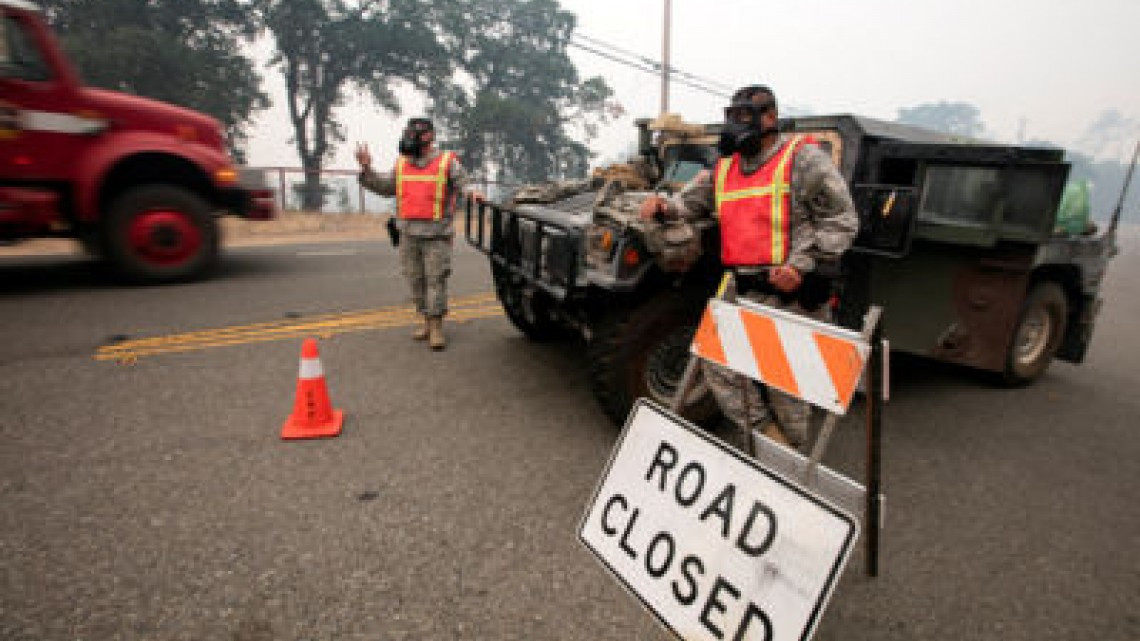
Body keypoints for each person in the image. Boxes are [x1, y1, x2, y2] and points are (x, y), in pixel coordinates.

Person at [640, 85, 859, 453]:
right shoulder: (725, 168)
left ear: (769, 119)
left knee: (787, 395)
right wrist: (662, 206)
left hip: (791, 296)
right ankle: (764, 439)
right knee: (716, 365)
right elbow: (689, 203)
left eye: (745, 117)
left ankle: (787, 459)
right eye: (732, 117)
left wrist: (802, 265)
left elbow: (843, 219)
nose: (735, 126)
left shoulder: (802, 159)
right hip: (743, 293)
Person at [355, 117, 484, 351]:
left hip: (436, 235)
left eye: (413, 134)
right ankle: (424, 320)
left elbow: (464, 183)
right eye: (407, 133)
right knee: (416, 280)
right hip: (408, 234)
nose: (408, 139)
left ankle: (436, 327)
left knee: (436, 280)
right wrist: (366, 169)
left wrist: (473, 193)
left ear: (428, 137)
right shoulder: (402, 163)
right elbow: (386, 187)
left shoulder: (447, 162)